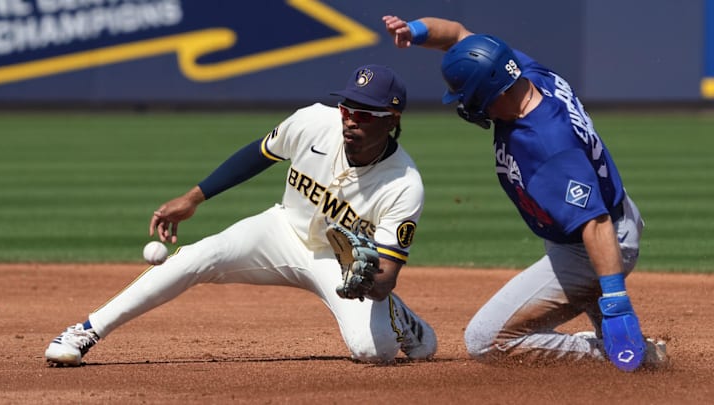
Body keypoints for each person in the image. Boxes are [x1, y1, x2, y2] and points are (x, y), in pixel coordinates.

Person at [44, 64, 437, 366]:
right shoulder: (315, 121)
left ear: (393, 118)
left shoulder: (403, 185)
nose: (351, 119)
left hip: (334, 264)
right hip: (281, 230)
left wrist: (369, 284)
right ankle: (86, 331)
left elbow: (385, 277)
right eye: (347, 108)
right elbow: (258, 154)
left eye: (365, 114)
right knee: (198, 256)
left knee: (374, 352)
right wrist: (194, 197)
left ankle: (402, 320)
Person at [382, 15, 668, 371]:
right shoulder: (523, 73)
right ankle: (614, 342)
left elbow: (594, 223)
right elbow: (456, 34)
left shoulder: (548, 145)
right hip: (592, 225)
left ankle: (623, 356)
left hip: (596, 243)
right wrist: (416, 31)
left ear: (493, 91)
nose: (469, 106)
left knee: (487, 341)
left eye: (470, 97)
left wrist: (616, 301)